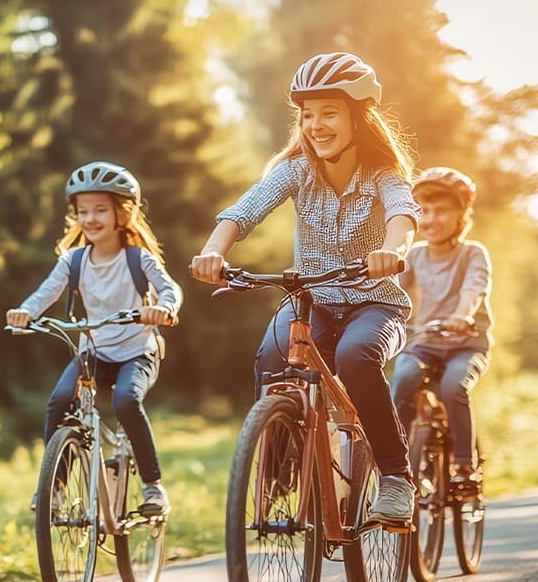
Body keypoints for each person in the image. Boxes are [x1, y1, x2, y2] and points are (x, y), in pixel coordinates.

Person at [191, 51, 422, 526]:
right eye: (308, 114)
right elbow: (246, 209)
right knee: (272, 357)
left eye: (329, 112)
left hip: (375, 306)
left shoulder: (384, 175)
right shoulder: (297, 169)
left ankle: (396, 477)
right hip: (313, 302)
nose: (316, 125)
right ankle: (278, 475)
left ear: (359, 116)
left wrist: (392, 250)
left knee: (356, 358)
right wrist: (214, 251)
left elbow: (403, 215)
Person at [5, 161, 182, 516]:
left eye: (100, 210)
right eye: (83, 211)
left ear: (123, 214)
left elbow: (170, 288)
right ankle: (52, 489)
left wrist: (163, 308)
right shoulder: (73, 260)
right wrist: (25, 311)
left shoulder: (138, 259)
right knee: (59, 402)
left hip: (136, 351)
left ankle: (153, 488)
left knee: (126, 401)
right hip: (93, 350)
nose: (91, 218)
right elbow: (45, 294)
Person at [390, 166, 492, 491]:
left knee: (453, 387)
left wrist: (462, 315)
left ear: (461, 214)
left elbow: (474, 289)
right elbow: (393, 291)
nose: (431, 219)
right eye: (424, 211)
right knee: (403, 378)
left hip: (467, 344)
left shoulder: (472, 253)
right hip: (425, 342)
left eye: (441, 210)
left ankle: (464, 465)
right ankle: (399, 462)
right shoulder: (415, 255)